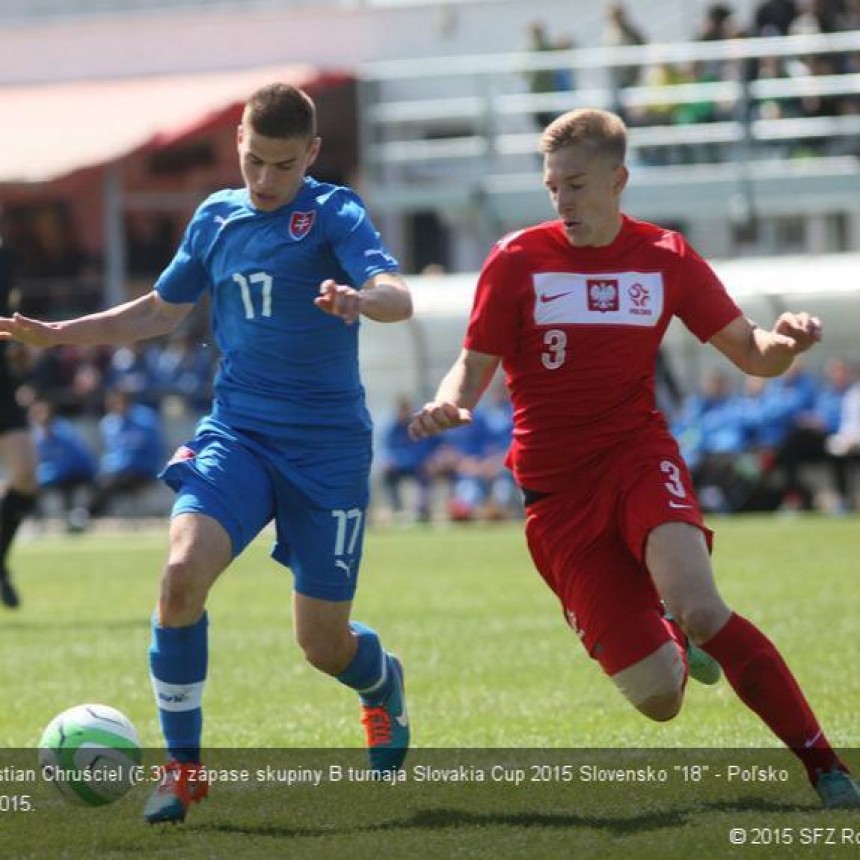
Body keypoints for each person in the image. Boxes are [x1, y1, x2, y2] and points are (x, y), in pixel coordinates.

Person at [408, 107, 860, 809]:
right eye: (552, 185)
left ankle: (825, 766)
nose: (563, 201)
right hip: (556, 500)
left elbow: (752, 353)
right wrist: (450, 403)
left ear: (618, 181)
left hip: (637, 457)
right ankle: (670, 640)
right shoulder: (515, 260)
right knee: (659, 700)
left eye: (578, 185)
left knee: (703, 604)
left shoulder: (666, 258)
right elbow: (469, 369)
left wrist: (788, 342)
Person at [0, 83, 413, 823]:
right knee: (180, 573)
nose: (263, 180)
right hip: (240, 433)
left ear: (311, 155)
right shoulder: (216, 217)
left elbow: (396, 294)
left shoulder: (334, 213)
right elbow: (161, 310)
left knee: (322, 644)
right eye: (253, 161)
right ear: (238, 146)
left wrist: (360, 300)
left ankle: (382, 683)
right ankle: (183, 768)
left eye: (282, 166)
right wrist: (62, 334)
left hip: (326, 451)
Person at [0, 234, 38, 608]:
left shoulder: (6, 256)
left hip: (2, 381)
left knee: (25, 474)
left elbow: (12, 312)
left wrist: (20, 348)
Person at [86, 387, 165, 522]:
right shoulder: (109, 424)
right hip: (115, 473)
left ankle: (89, 516)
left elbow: (154, 450)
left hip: (141, 470)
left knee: (109, 483)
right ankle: (91, 515)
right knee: (97, 480)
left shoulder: (145, 421)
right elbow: (110, 452)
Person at [29, 397, 97, 532]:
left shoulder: (63, 432)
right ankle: (38, 523)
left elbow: (67, 464)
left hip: (78, 473)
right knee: (30, 488)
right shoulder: (39, 435)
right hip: (55, 475)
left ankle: (73, 521)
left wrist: (43, 477)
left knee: (64, 487)